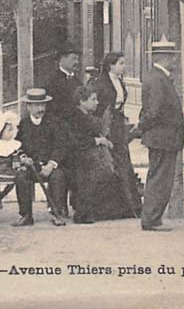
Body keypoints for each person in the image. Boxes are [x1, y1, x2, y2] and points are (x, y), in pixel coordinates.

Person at [134, 37, 184, 232]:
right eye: (172, 57)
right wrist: (141, 127)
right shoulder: (158, 79)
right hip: (162, 139)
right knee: (159, 180)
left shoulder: (157, 77)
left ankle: (152, 218)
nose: (174, 61)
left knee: (159, 178)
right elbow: (154, 111)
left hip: (162, 138)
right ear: (163, 58)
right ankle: (152, 220)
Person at [66, 85, 135, 223]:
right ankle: (90, 211)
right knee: (102, 171)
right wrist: (98, 141)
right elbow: (75, 141)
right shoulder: (75, 117)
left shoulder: (86, 116)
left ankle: (109, 209)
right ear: (82, 101)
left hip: (88, 154)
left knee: (111, 167)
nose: (97, 102)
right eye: (93, 99)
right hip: (77, 157)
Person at [92, 52, 142, 217]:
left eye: (124, 63)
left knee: (123, 162)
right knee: (110, 163)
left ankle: (129, 206)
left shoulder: (119, 81)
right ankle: (109, 208)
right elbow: (97, 108)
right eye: (121, 63)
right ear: (110, 65)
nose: (124, 66)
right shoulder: (100, 83)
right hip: (107, 126)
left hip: (118, 126)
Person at [12, 88, 67, 227]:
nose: (41, 108)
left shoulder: (54, 122)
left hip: (50, 166)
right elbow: (18, 146)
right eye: (36, 105)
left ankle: (56, 213)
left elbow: (60, 146)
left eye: (43, 105)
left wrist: (51, 164)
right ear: (28, 107)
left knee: (59, 176)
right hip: (32, 167)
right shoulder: (24, 124)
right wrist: (23, 158)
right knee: (20, 177)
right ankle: (26, 215)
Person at [43, 43, 82, 118]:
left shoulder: (78, 83)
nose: (77, 62)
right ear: (62, 59)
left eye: (78, 59)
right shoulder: (52, 82)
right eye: (74, 58)